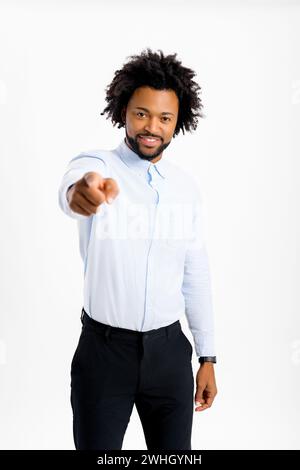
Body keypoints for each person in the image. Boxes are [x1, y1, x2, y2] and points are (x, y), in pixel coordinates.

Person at [58, 48, 217, 451]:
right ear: (124, 111)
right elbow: (76, 186)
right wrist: (82, 193)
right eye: (141, 113)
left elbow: (195, 275)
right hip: (104, 353)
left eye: (165, 117)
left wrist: (208, 357)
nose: (152, 126)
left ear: (177, 122)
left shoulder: (185, 188)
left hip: (169, 355)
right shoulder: (99, 164)